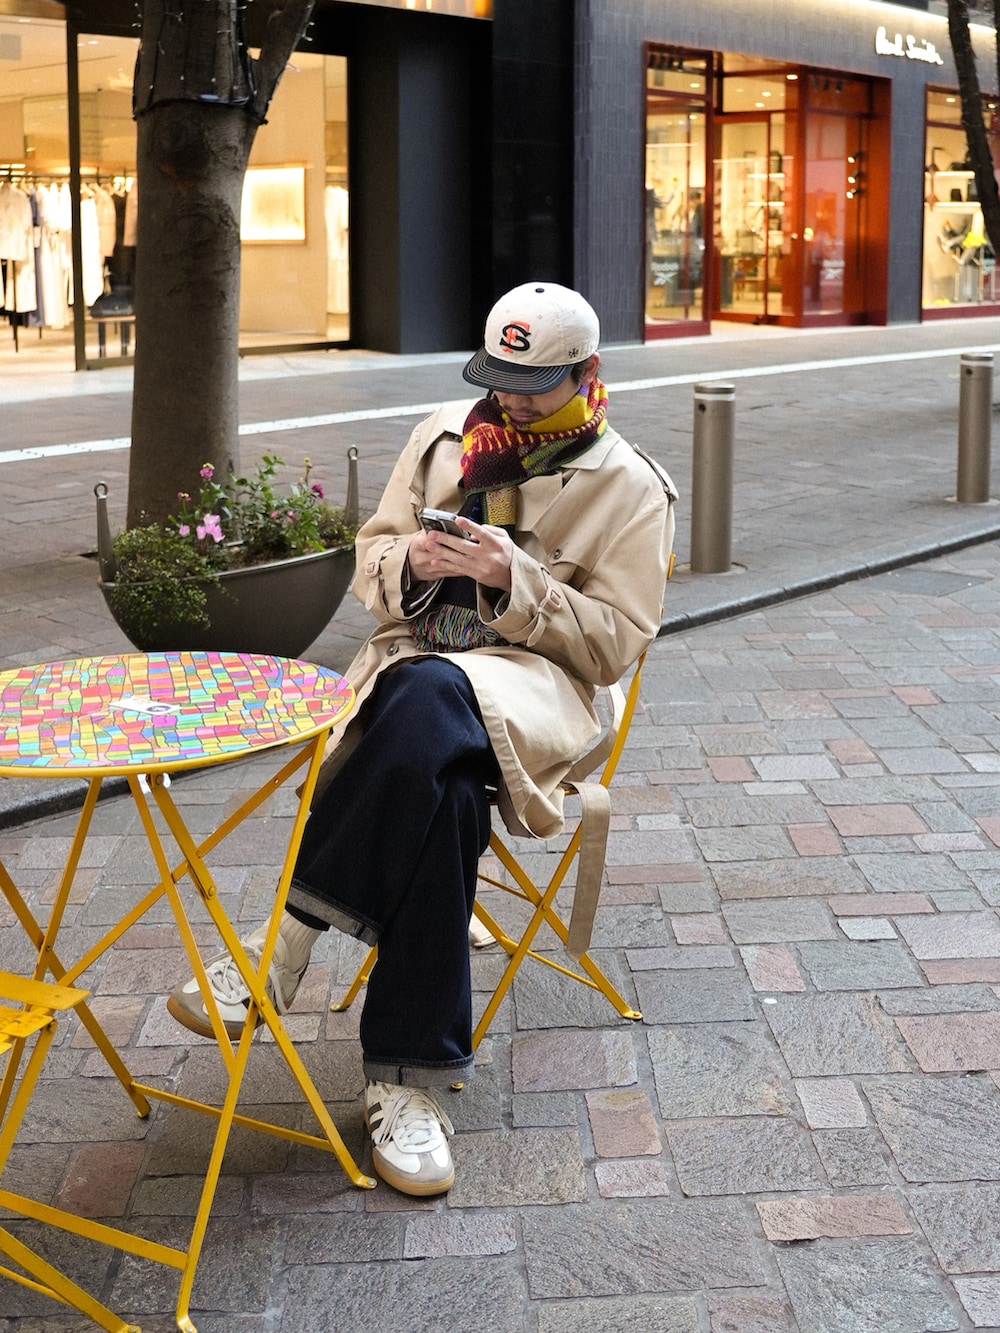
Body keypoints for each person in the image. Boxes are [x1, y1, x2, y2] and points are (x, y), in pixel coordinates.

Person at [167, 281, 678, 1196]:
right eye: (499, 380)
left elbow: (615, 646)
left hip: (532, 692)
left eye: (536, 386)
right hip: (412, 670)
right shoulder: (442, 437)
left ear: (588, 373)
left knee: (433, 695)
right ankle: (407, 1082)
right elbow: (371, 559)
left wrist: (516, 580)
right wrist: (410, 558)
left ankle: (285, 941)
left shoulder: (632, 486)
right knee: (443, 792)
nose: (511, 402)